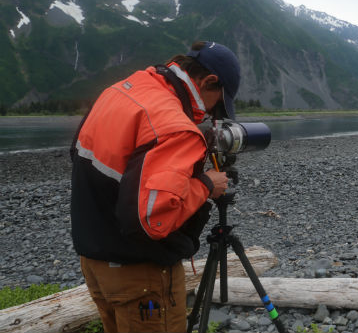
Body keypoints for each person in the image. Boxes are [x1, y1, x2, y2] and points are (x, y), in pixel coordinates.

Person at [70, 41, 240, 333]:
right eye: (219, 103)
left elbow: (80, 154)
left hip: (96, 262)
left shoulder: (125, 89)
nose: (214, 115)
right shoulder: (173, 125)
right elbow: (152, 219)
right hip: (141, 275)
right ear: (209, 81)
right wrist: (205, 184)